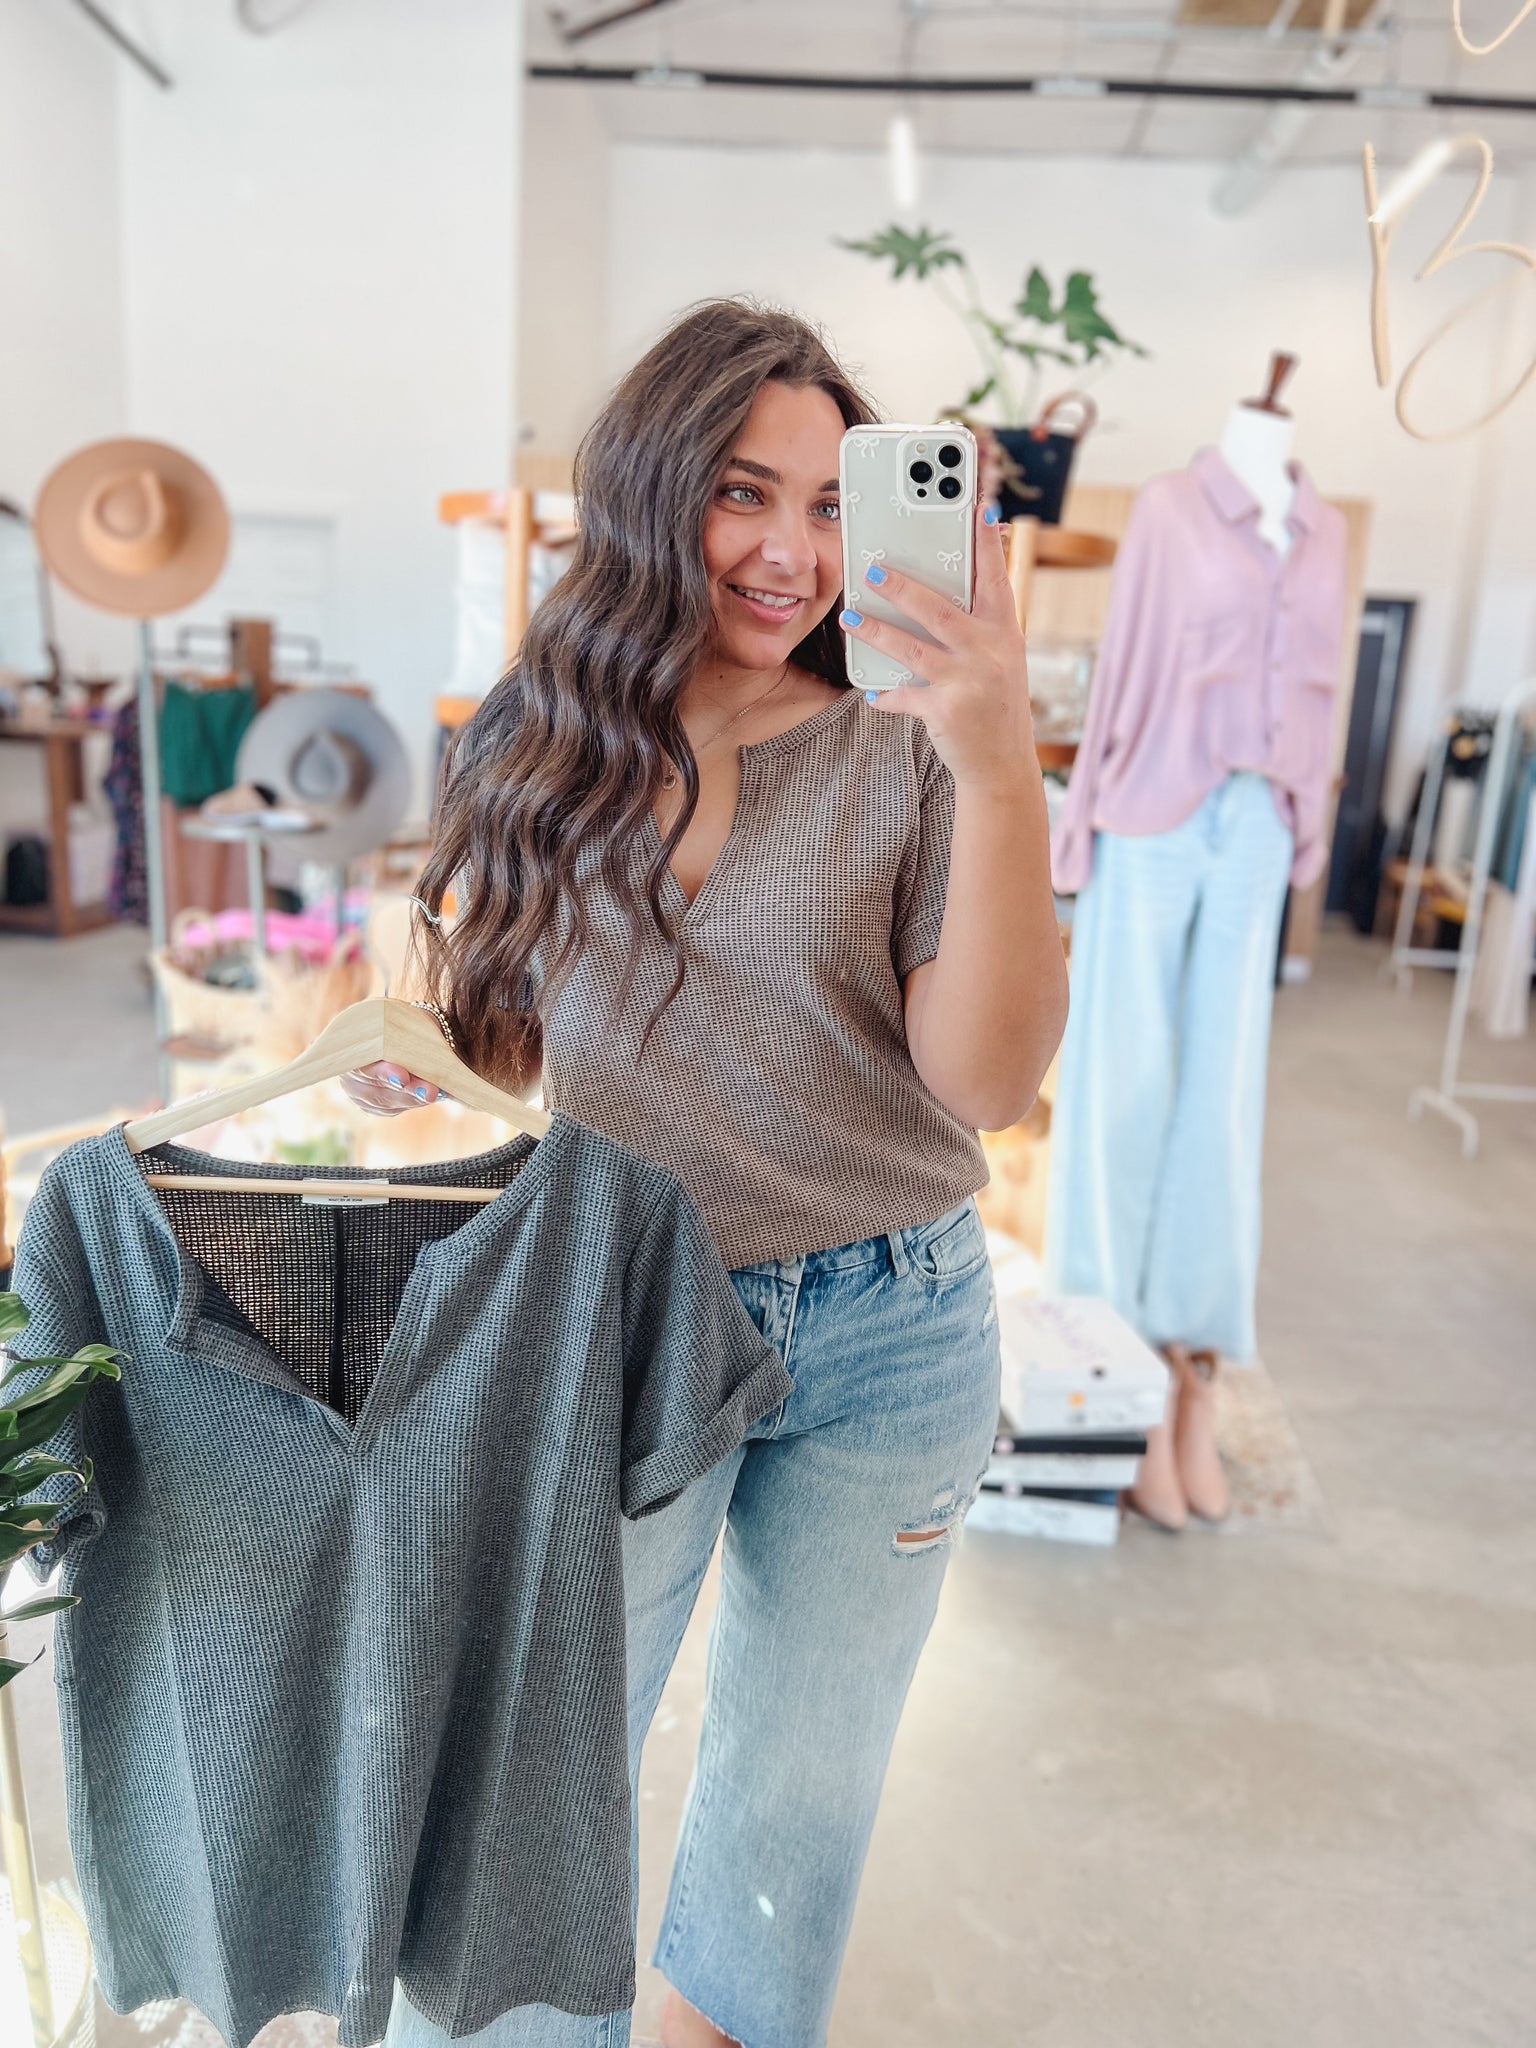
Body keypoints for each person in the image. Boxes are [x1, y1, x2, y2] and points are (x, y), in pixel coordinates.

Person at [348, 300, 1067, 2048]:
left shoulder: (910, 743)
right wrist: (418, 1043)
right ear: (658, 491)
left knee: (792, 1803)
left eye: (837, 506)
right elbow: (513, 1041)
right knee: (545, 1780)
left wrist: (998, 761)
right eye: (747, 494)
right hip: (622, 1309)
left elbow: (984, 1079)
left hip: (894, 1326)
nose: (794, 552)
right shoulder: (544, 726)